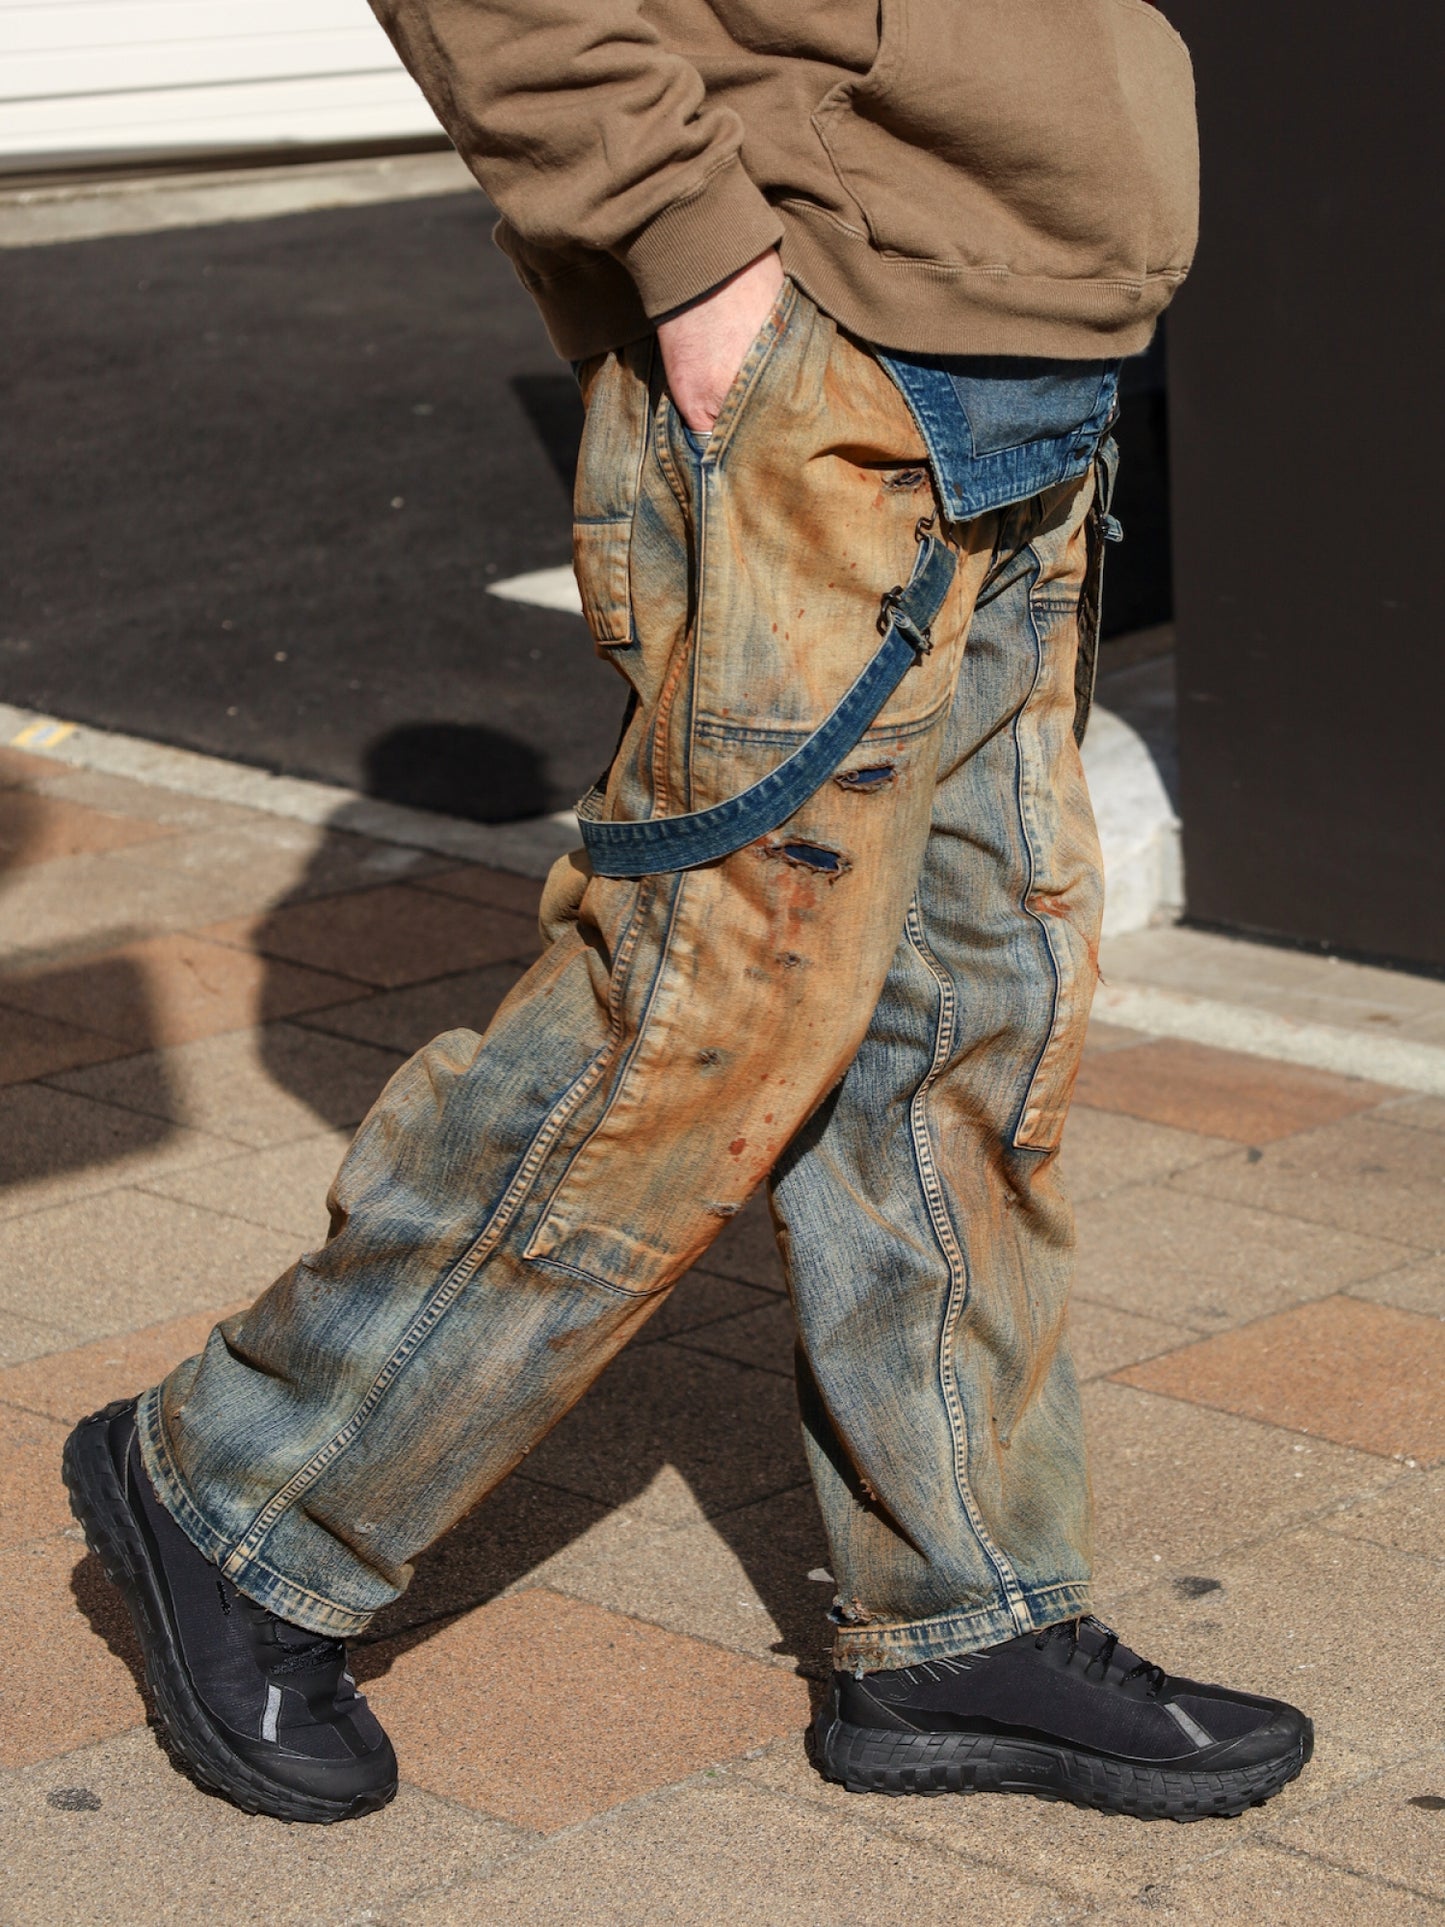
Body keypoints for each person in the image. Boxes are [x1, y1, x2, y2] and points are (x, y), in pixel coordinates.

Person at [63, 0, 1313, 1827]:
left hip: (1022, 335)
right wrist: (686, 247)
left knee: (968, 1017)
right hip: (830, 333)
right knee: (708, 1013)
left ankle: (963, 1619)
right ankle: (240, 1499)